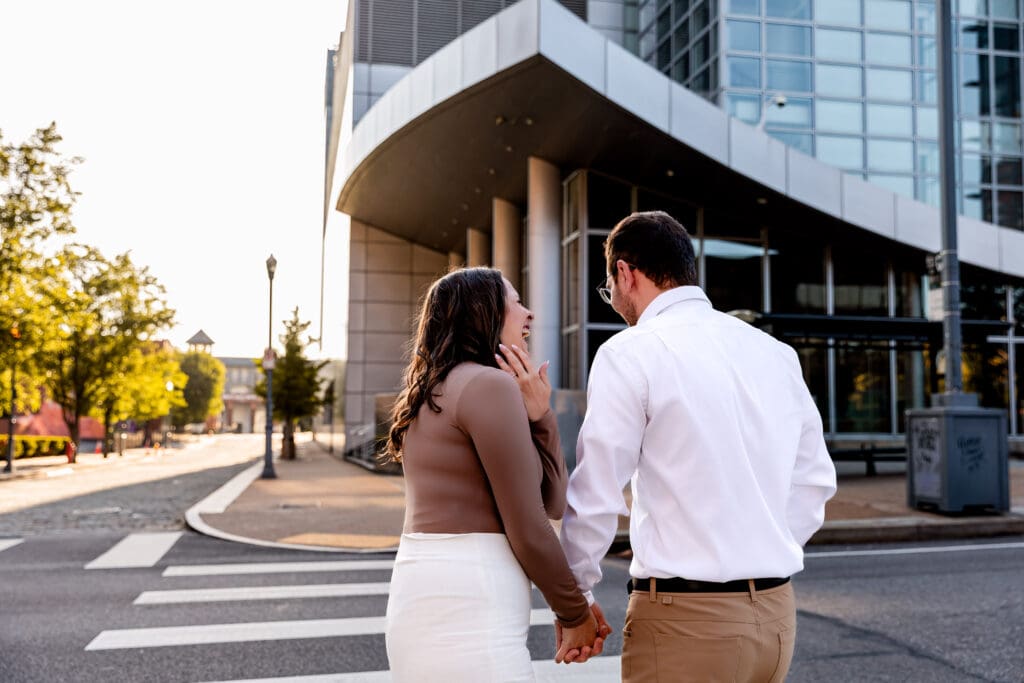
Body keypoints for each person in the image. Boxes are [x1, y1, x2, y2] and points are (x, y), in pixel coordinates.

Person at [558, 211, 837, 682]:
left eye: (610, 290)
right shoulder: (775, 353)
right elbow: (813, 481)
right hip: (775, 620)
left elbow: (597, 492)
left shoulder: (630, 351)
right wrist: (759, 551)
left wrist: (576, 599)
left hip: (685, 621)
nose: (615, 302)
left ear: (625, 272)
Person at [383, 267, 604, 682]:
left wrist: (540, 417)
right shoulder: (488, 387)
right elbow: (531, 525)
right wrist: (575, 613)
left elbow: (550, 501)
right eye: (517, 302)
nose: (529, 314)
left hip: (417, 594)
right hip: (473, 603)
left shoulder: (429, 391)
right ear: (485, 311)